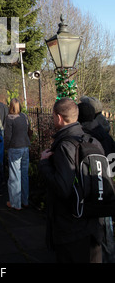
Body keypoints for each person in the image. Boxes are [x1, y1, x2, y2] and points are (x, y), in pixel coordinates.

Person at [39, 98, 104, 263]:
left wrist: (45, 163)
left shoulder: (64, 146)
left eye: (53, 116)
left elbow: (62, 187)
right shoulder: (93, 141)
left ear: (59, 118)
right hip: (94, 223)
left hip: (70, 228)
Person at [78, 101, 115, 263]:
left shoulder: (85, 137)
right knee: (105, 232)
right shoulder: (105, 135)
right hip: (106, 186)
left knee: (99, 234)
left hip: (94, 190)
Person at [4, 98, 31, 211]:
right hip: (25, 147)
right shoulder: (24, 116)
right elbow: (29, 130)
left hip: (15, 148)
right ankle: (25, 201)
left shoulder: (9, 118)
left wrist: (6, 148)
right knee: (24, 175)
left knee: (15, 176)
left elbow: (8, 136)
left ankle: (15, 203)